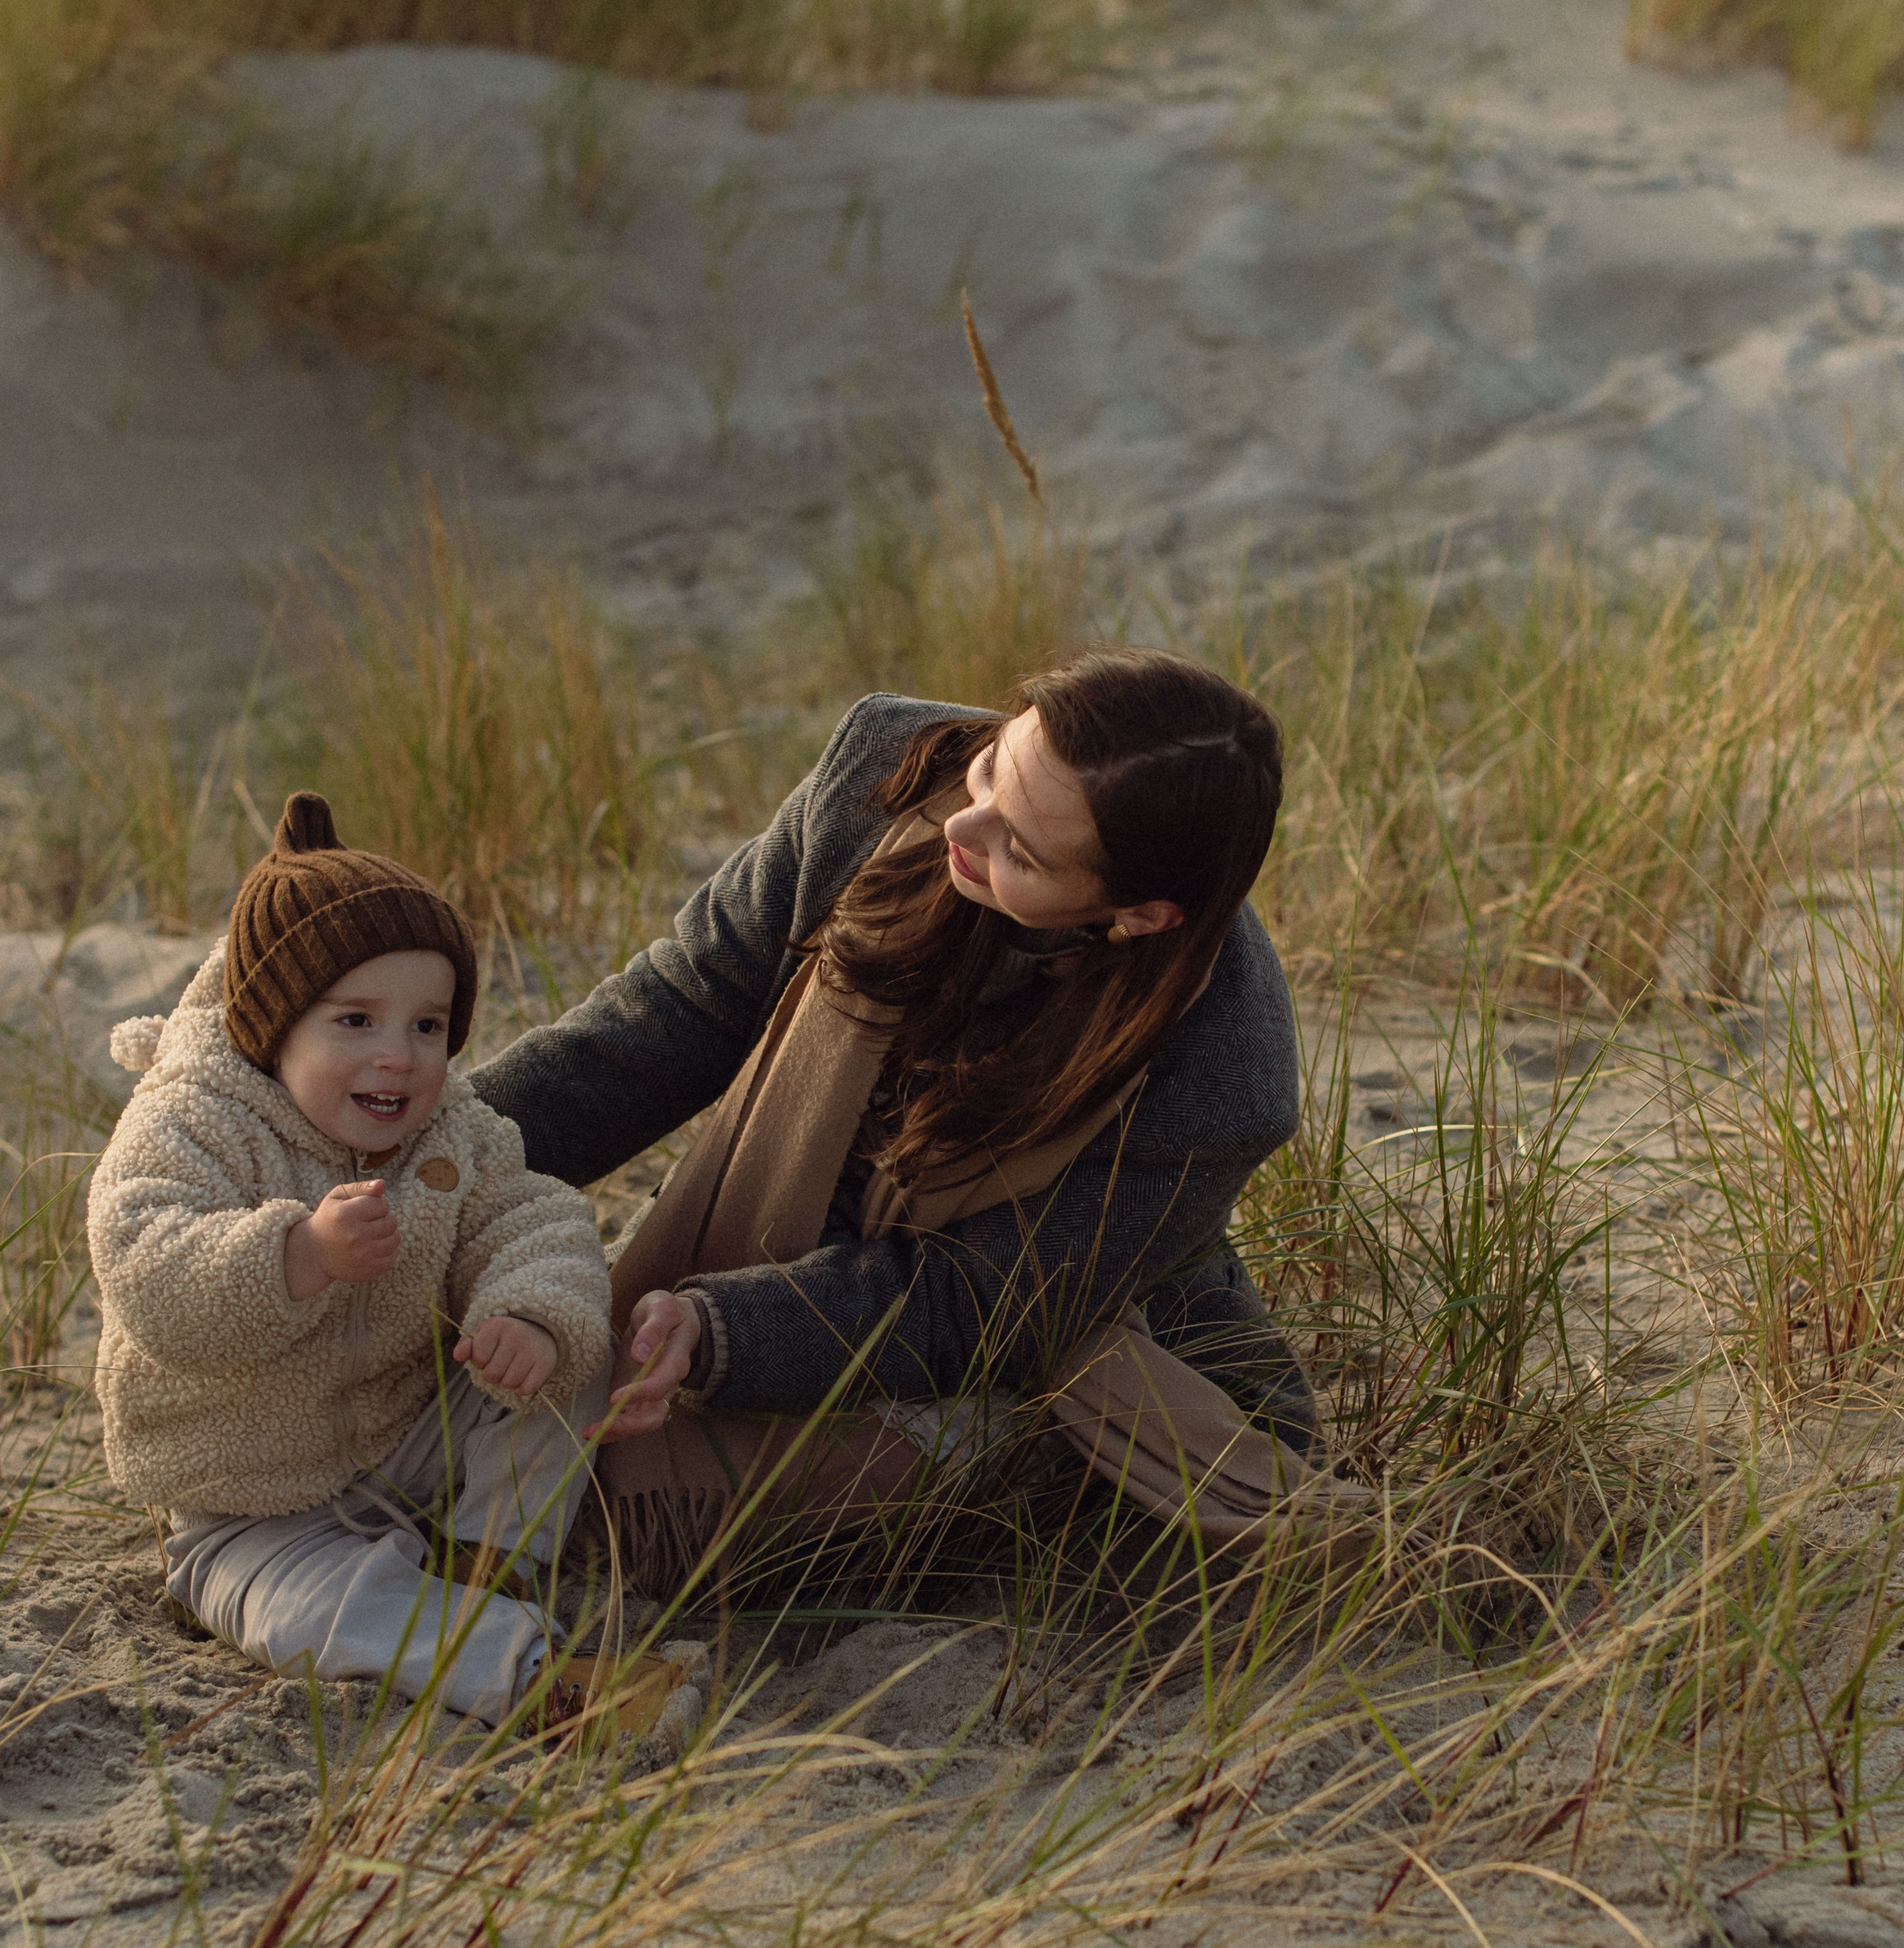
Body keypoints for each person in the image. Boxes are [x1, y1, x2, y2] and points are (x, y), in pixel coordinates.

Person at [470, 652, 1324, 1595]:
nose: (962, 822)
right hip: (793, 1225)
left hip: (1050, 1343)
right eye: (995, 766)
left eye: (1024, 852)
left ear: (1140, 917)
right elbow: (682, 1010)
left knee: (633, 1526)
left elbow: (978, 1305)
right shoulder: (889, 766)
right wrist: (429, 1151)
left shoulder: (1224, 1068)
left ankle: (1048, 1488)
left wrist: (723, 1332)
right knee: (513, 1440)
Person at [88, 794, 672, 1730]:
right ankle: (527, 1673)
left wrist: (524, 1314)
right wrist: (297, 1255)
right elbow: (143, 1263)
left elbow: (532, 1217)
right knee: (315, 1610)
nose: (398, 1057)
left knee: (572, 1335)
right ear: (272, 1024)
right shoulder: (194, 1119)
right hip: (247, 1504)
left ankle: (489, 1555)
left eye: (428, 1026)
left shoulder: (452, 1129)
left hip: (407, 1440)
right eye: (355, 1022)